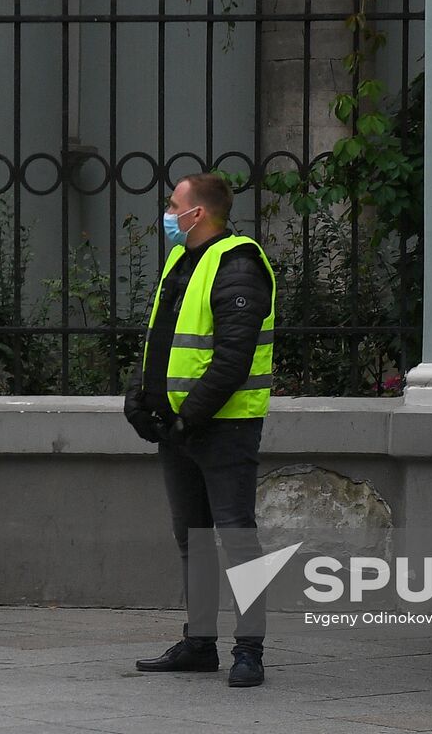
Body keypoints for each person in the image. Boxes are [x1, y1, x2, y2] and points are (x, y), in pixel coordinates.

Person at [124, 173, 276, 688]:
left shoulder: (238, 264)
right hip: (181, 428)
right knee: (194, 537)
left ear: (199, 213)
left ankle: (250, 650)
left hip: (224, 426)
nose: (167, 213)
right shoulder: (180, 260)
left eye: (173, 205)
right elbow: (164, 339)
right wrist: (142, 400)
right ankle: (199, 642)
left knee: (237, 536)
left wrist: (188, 417)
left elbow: (232, 359)